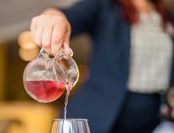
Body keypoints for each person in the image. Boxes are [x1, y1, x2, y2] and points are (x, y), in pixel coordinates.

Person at [30, 0, 174, 132]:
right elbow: (70, 16)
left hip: (150, 121)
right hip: (99, 116)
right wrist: (53, 17)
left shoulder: (166, 17)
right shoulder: (106, 5)